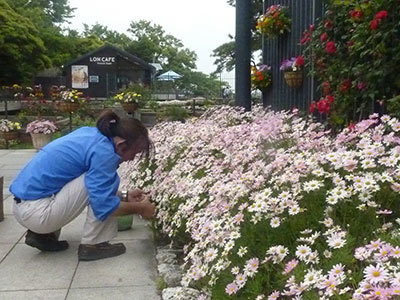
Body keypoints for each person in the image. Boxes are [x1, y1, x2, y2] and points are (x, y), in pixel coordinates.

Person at [10, 109, 156, 261]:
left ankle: (42, 235)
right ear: (121, 144)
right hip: (37, 213)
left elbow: (95, 186)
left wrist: (125, 195)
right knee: (98, 186)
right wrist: (141, 208)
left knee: (97, 183)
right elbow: (103, 204)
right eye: (136, 152)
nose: (133, 158)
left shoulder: (91, 135)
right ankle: (94, 245)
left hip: (22, 208)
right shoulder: (104, 153)